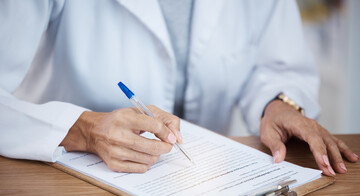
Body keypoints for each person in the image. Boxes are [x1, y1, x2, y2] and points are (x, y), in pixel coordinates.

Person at [0, 0, 358, 176]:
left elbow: (275, 62)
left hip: (202, 184)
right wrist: (83, 129)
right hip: (67, 186)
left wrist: (277, 103)